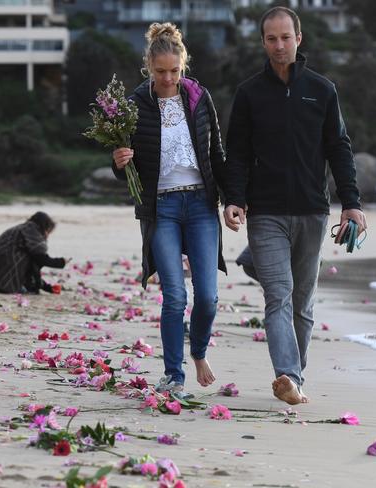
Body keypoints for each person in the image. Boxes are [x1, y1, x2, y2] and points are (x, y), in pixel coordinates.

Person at [223, 7, 367, 405]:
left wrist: (350, 203)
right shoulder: (250, 93)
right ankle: (287, 375)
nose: (279, 45)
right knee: (281, 295)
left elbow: (339, 148)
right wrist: (233, 199)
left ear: (299, 39)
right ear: (263, 42)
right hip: (266, 211)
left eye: (286, 37)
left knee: (302, 304)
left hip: (312, 211)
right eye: (272, 39)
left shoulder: (322, 90)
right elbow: (236, 152)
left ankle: (295, 380)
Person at [112, 23, 226, 394]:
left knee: (207, 297)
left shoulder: (198, 97)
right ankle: (174, 375)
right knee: (175, 296)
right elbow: (123, 171)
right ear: (148, 65)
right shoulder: (133, 105)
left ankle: (199, 351)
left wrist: (234, 199)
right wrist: (119, 161)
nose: (168, 78)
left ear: (183, 65)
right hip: (161, 209)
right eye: (160, 71)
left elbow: (217, 154)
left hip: (200, 205)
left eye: (174, 71)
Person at [0, 212, 67, 294]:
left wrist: (47, 287)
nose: (47, 236)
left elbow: (31, 264)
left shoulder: (19, 230)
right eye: (48, 231)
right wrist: (61, 262)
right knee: (28, 291)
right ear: (44, 227)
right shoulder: (32, 231)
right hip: (3, 283)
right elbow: (40, 259)